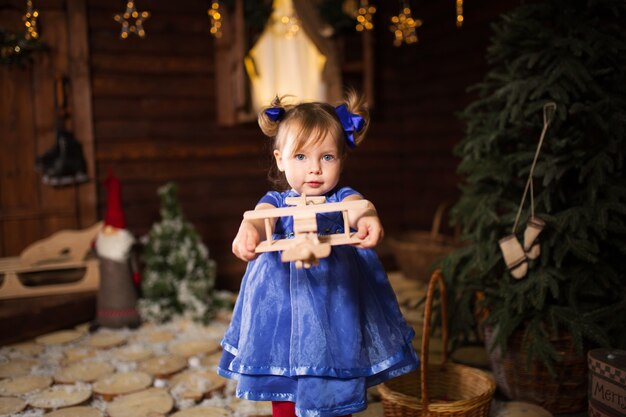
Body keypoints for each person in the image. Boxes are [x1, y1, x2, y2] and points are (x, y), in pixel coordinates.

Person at [218, 91, 419, 417]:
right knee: (283, 368)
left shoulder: (342, 196)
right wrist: (248, 231)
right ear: (280, 159)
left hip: (334, 304)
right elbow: (261, 216)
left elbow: (356, 207)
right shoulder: (277, 200)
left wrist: (367, 217)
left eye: (327, 157)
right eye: (301, 157)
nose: (314, 169)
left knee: (336, 363)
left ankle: (335, 406)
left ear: (342, 159)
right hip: (283, 302)